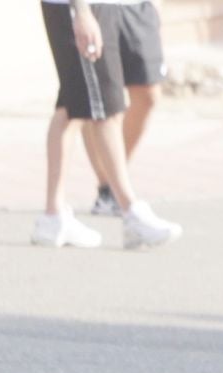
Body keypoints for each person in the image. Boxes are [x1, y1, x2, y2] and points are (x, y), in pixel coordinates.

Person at [34, 0, 181, 249]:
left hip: (111, 6)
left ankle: (54, 216)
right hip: (84, 7)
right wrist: (81, 10)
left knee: (71, 105)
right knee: (104, 107)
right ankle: (129, 210)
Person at [84, 1, 164, 219]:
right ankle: (108, 189)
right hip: (96, 6)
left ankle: (113, 181)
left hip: (138, 7)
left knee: (148, 95)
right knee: (101, 100)